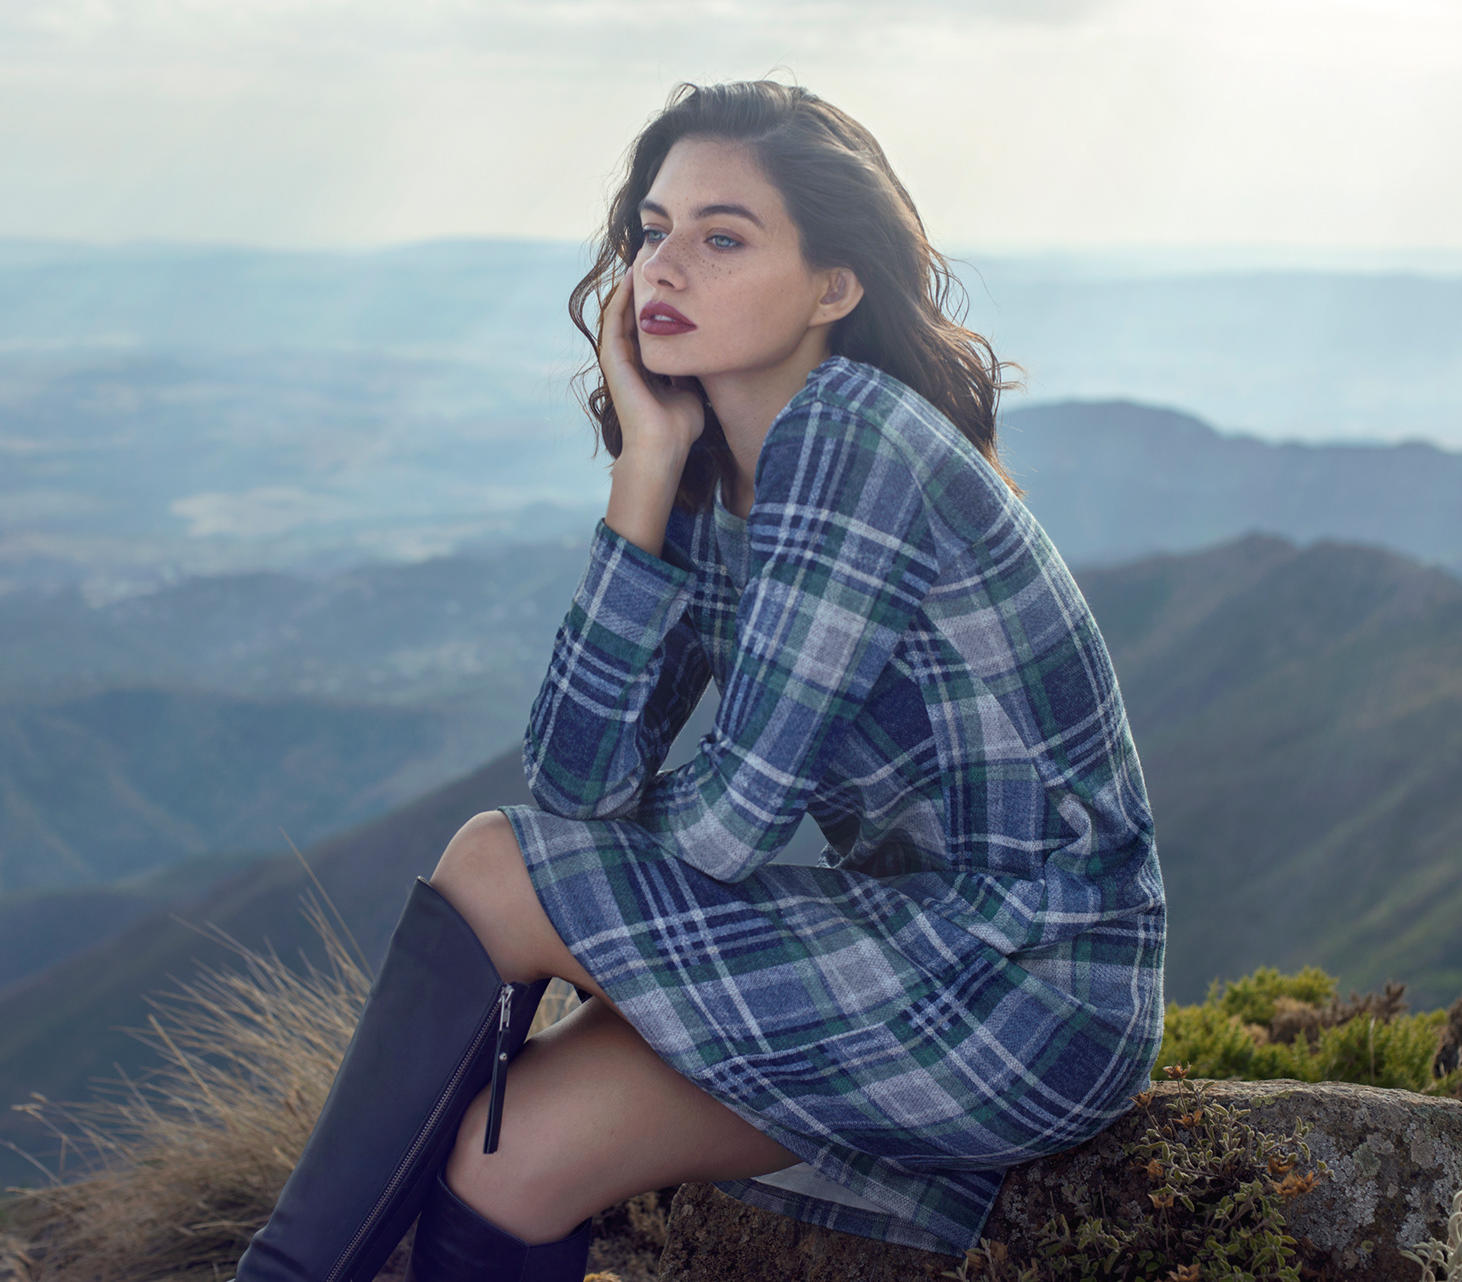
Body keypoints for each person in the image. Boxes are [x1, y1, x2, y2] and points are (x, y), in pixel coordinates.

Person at [237, 80, 1165, 1282]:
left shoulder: (857, 438)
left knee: (493, 860)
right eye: (653, 231)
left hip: (1027, 982)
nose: (664, 268)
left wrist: (573, 890)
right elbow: (576, 778)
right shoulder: (717, 458)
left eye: (723, 238)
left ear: (835, 287)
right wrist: (647, 468)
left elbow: (727, 828)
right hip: (895, 947)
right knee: (504, 1165)